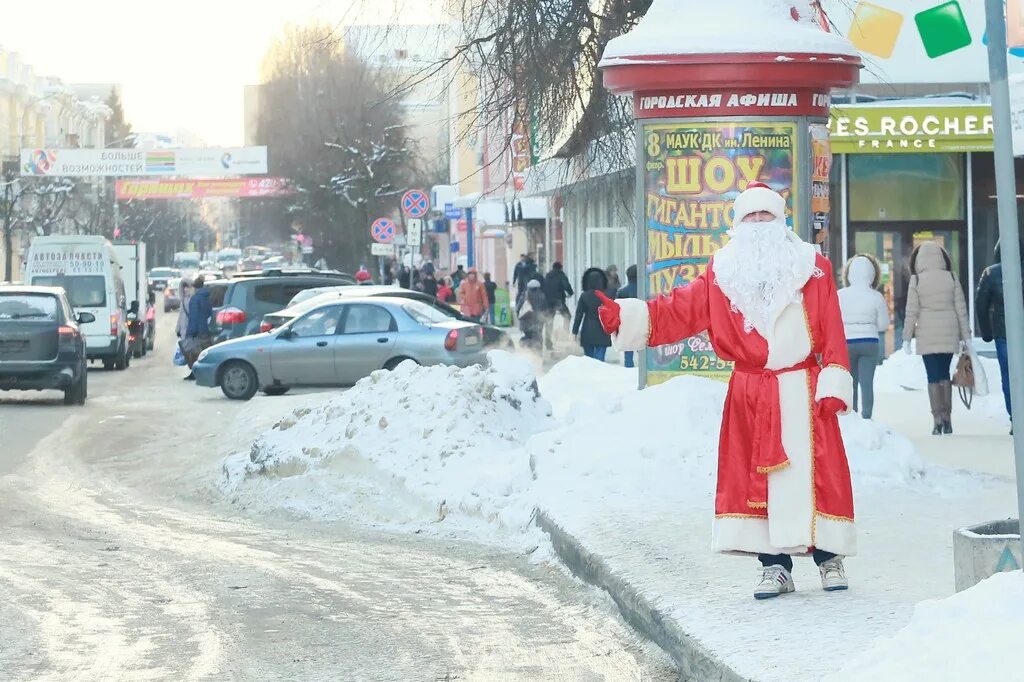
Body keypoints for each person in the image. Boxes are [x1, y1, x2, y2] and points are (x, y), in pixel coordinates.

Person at [595, 182, 855, 600]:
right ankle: (775, 568)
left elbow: (833, 328)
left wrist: (835, 378)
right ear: (737, 223)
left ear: (780, 220)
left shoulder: (814, 267)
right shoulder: (723, 272)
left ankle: (829, 559)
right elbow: (683, 309)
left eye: (765, 216)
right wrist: (629, 317)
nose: (757, 224)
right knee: (757, 481)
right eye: (749, 216)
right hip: (751, 392)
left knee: (818, 474)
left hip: (803, 390)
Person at [902, 241, 971, 436]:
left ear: (919, 260)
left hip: (927, 334)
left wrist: (907, 337)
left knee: (932, 376)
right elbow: (961, 310)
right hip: (949, 332)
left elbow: (911, 312)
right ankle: (948, 418)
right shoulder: (951, 277)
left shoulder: (916, 281)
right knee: (944, 374)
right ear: (942, 258)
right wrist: (966, 336)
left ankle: (937, 419)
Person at [838, 255, 889, 419]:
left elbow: (833, 321)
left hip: (846, 343)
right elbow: (883, 325)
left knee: (850, 382)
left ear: (849, 274)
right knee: (867, 384)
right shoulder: (876, 297)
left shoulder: (840, 295)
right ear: (872, 274)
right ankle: (867, 418)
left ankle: (851, 416)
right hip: (869, 342)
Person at [977, 241, 1020, 426]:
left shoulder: (990, 273)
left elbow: (981, 304)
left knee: (1008, 375)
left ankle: (1015, 418)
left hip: (1003, 334)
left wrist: (986, 332)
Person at [572, 267, 612, 361]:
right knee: (600, 361)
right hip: (603, 330)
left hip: (588, 330)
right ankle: (600, 375)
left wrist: (574, 332)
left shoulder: (584, 296)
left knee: (589, 362)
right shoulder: (607, 296)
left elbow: (579, 315)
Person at [184, 275, 214, 375]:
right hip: (205, 329)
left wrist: (190, 332)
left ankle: (195, 373)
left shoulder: (195, 299)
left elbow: (194, 317)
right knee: (205, 351)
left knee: (195, 352)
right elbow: (209, 312)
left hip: (197, 330)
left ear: (195, 287)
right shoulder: (207, 297)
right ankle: (205, 371)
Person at [543, 262, 574, 348]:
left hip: (549, 301)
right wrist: (570, 292)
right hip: (558, 301)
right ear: (560, 268)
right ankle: (565, 334)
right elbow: (566, 285)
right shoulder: (561, 275)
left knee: (549, 321)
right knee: (567, 316)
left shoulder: (547, 276)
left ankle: (548, 342)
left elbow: (544, 287)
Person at [617, 265, 639, 368]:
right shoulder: (645, 290)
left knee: (628, 353)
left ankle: (629, 370)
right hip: (642, 323)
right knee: (643, 351)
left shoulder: (622, 292)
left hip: (627, 324)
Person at [517, 279, 547, 351]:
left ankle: (526, 349)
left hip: (526, 321)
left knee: (527, 335)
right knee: (538, 336)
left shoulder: (524, 295)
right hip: (538, 320)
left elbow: (518, 307)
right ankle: (538, 351)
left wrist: (519, 315)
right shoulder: (542, 296)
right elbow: (545, 309)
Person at [176, 278, 194, 378]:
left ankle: (193, 371)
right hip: (184, 330)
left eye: (188, 287)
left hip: (189, 330)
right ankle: (191, 370)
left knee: (191, 352)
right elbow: (181, 315)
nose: (186, 289)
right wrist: (178, 329)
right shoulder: (183, 300)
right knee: (187, 352)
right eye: (184, 287)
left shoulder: (191, 299)